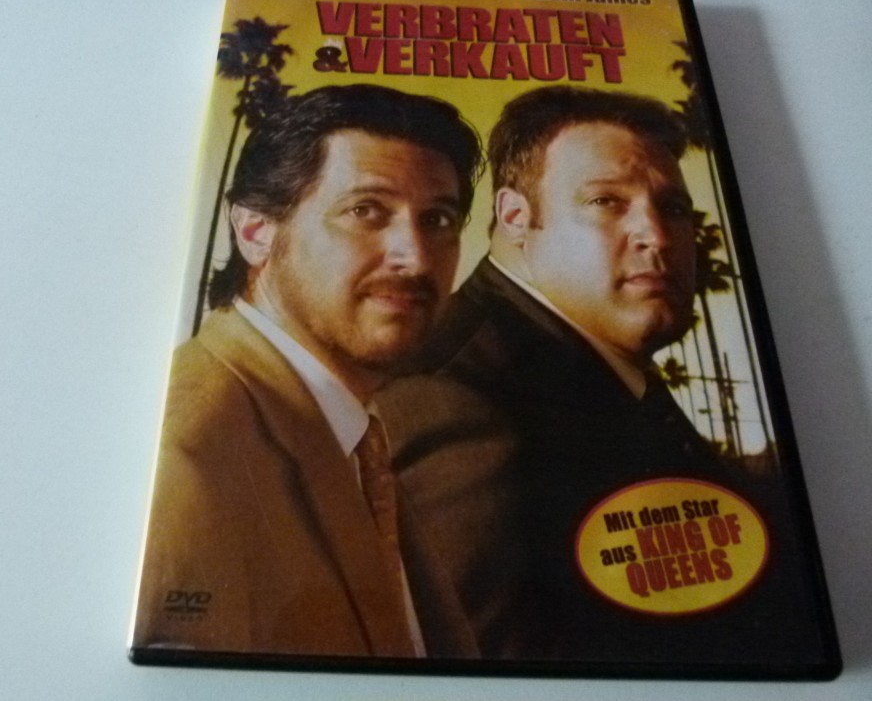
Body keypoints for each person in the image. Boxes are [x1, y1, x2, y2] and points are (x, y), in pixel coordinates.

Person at [378, 86, 827, 664]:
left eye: (673, 208)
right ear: (515, 217)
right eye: (606, 202)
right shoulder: (451, 400)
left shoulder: (593, 358)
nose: (657, 236)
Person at [130, 85, 484, 660]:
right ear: (255, 232)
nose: (416, 257)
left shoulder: (352, 432)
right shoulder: (187, 455)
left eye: (438, 219)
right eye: (365, 211)